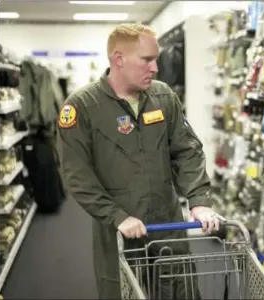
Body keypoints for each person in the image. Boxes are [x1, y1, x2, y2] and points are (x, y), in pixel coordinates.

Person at [56, 23, 221, 299]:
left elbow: (187, 151)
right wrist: (116, 216)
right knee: (124, 291)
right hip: (120, 231)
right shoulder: (82, 107)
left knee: (180, 291)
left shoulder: (163, 97)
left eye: (156, 59)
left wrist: (199, 201)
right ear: (118, 59)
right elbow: (77, 175)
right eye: (147, 59)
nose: (155, 67)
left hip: (168, 223)